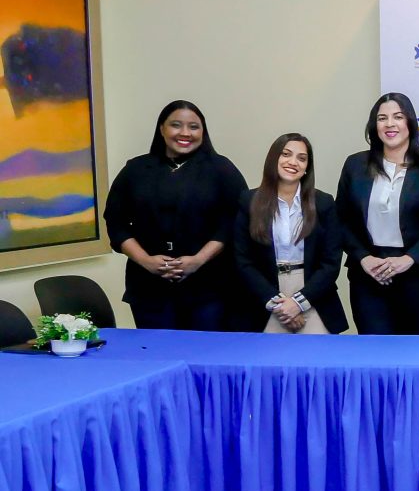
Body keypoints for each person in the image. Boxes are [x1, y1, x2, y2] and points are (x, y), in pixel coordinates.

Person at [103, 99, 247, 330]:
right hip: (148, 287)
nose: (185, 133)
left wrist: (198, 260)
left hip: (209, 287)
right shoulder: (135, 170)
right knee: (157, 349)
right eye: (176, 125)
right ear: (162, 128)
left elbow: (234, 221)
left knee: (205, 350)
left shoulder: (222, 169)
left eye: (194, 127)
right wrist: (146, 261)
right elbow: (115, 222)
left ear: (203, 131)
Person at [334, 92, 419, 334]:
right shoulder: (355, 165)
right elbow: (340, 220)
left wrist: (409, 259)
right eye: (382, 118)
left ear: (410, 122)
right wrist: (364, 258)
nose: (390, 124)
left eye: (398, 117)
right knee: (375, 350)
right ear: (374, 125)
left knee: (413, 351)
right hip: (368, 275)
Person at [234, 133, 348, 334]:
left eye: (301, 158)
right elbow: (243, 260)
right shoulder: (249, 200)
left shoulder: (323, 203)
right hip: (265, 294)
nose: (293, 162)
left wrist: (298, 303)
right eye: (286, 154)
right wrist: (279, 305)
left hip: (313, 293)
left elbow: (331, 262)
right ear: (273, 158)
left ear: (307, 167)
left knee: (318, 353)